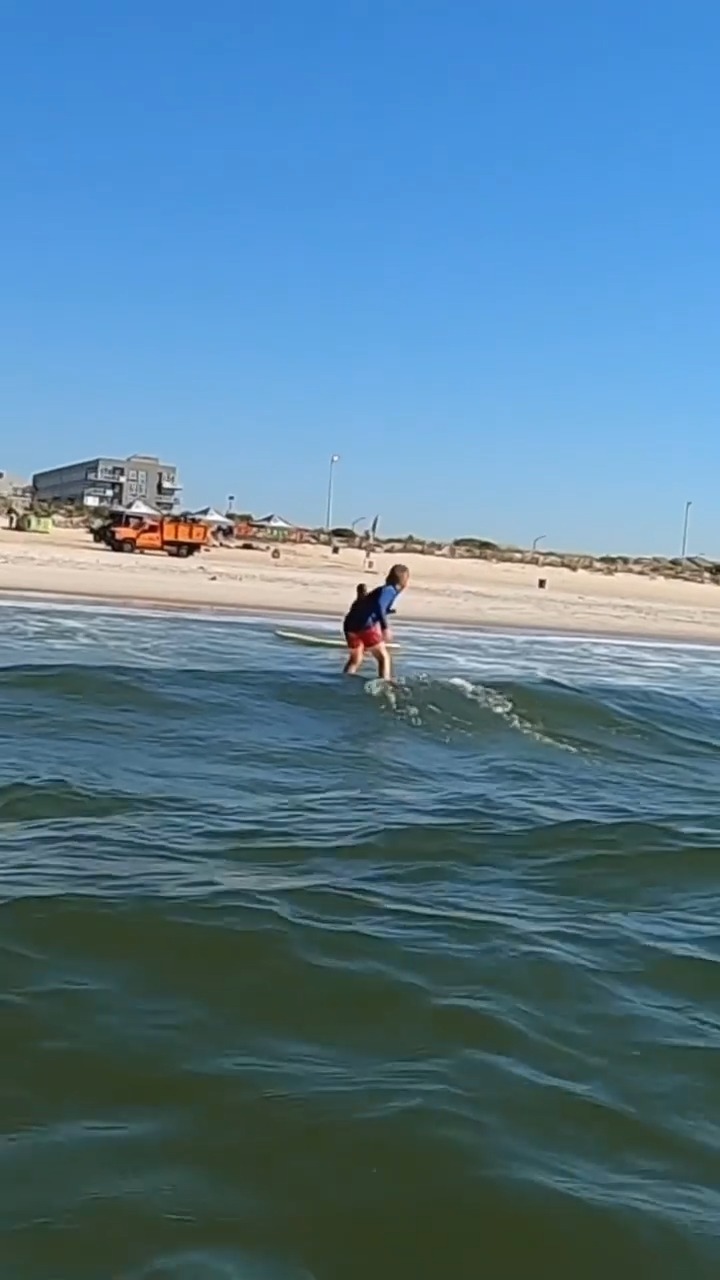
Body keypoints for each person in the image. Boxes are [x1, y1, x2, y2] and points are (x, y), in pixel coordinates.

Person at [343, 564, 409, 680]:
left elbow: (369, 606)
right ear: (404, 580)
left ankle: (344, 682)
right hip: (365, 626)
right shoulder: (390, 590)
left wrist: (387, 611)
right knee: (383, 657)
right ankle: (384, 684)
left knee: (355, 659)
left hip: (350, 626)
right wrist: (385, 627)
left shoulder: (382, 590)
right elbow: (379, 606)